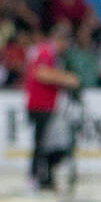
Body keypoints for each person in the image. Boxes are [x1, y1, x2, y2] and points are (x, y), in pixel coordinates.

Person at [23, 22, 80, 191]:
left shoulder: (49, 53)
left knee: (46, 142)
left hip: (47, 103)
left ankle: (43, 176)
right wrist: (67, 79)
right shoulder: (45, 51)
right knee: (41, 142)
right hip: (40, 104)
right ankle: (34, 177)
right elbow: (41, 73)